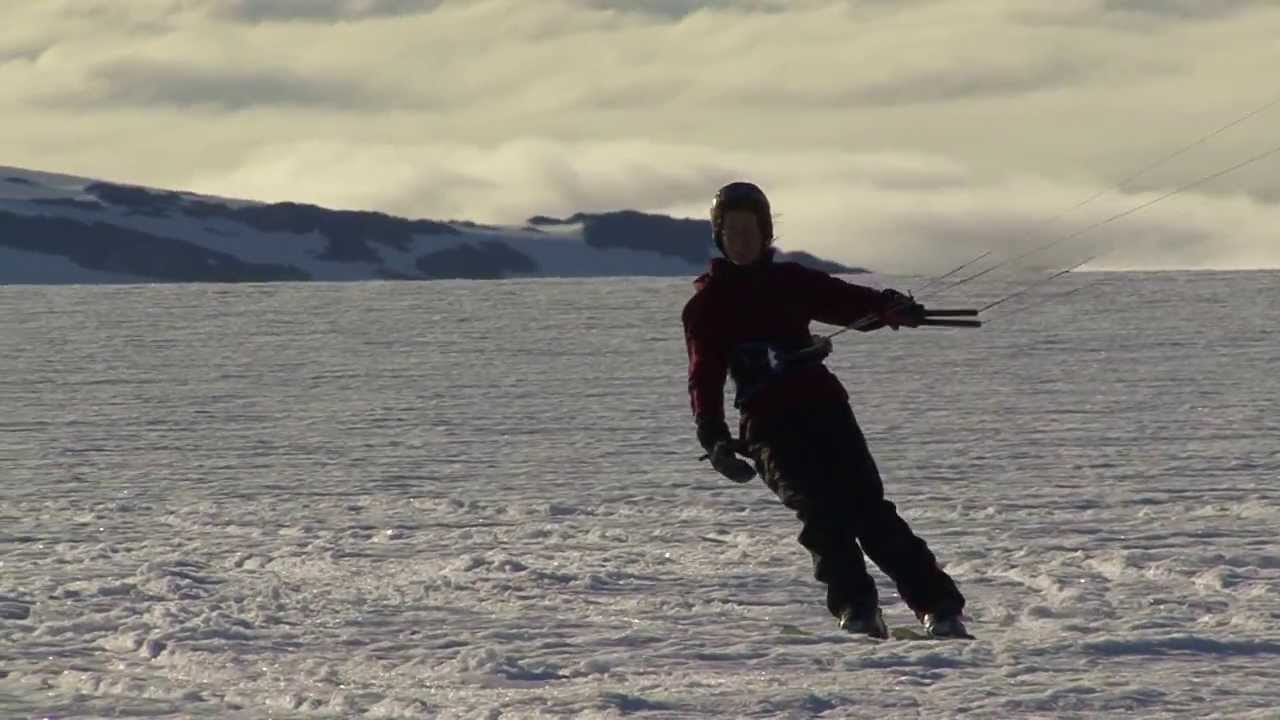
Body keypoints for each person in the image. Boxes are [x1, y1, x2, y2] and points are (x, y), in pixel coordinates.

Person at [681, 180, 969, 640]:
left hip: (825, 410)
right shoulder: (706, 306)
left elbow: (848, 301)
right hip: (768, 425)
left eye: (749, 231)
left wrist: (891, 307)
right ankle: (857, 611)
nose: (741, 240)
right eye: (731, 232)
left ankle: (940, 609)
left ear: (766, 233)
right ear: (719, 237)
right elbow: (704, 376)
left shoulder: (791, 281)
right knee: (821, 513)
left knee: (869, 511)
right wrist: (713, 438)